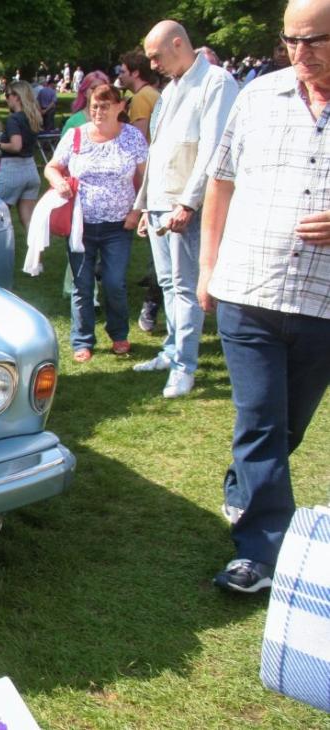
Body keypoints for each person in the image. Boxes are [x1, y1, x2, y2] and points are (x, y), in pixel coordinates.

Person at [198, 0, 330, 593]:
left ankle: (242, 485)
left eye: (315, 40)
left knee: (286, 427)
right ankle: (260, 552)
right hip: (248, 289)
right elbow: (221, 182)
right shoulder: (257, 97)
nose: (300, 53)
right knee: (259, 421)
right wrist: (207, 268)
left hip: (322, 304)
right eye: (291, 40)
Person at [131, 20, 238, 398]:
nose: (153, 65)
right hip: (161, 204)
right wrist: (145, 205)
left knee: (185, 288)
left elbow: (213, 150)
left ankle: (184, 368)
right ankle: (171, 351)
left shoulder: (216, 82)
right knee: (167, 284)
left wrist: (188, 203)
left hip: (186, 206)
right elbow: (158, 151)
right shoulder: (172, 87)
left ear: (178, 44)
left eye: (156, 56)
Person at [45, 85, 148, 361]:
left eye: (105, 106)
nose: (98, 112)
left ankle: (119, 333)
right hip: (80, 224)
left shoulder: (133, 137)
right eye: (94, 106)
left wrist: (137, 211)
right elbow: (51, 167)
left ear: (120, 107)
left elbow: (147, 177)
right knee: (82, 284)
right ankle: (82, 340)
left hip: (119, 225)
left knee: (115, 282)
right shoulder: (76, 136)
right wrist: (59, 182)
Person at [117, 48, 164, 332]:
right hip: (158, 174)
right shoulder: (153, 94)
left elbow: (138, 139)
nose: (120, 76)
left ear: (135, 72)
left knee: (152, 241)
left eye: (123, 71)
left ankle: (151, 301)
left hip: (149, 175)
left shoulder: (142, 98)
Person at [0, 81, 42, 230]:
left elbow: (16, 146)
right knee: (29, 222)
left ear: (17, 97)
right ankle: (37, 246)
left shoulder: (14, 119)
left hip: (13, 171)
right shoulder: (33, 117)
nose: (6, 99)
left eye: (7, 95)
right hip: (31, 170)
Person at [61, 70, 110, 134]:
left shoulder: (114, 120)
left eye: (102, 88)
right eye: (93, 88)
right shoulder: (73, 122)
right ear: (85, 92)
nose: (98, 92)